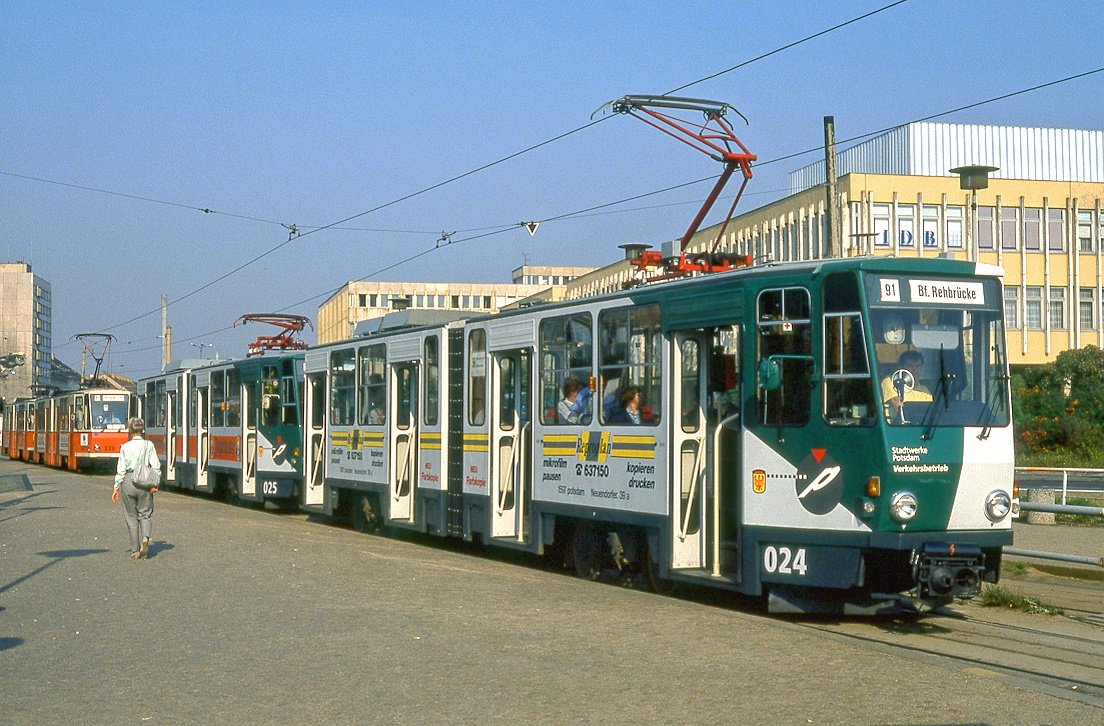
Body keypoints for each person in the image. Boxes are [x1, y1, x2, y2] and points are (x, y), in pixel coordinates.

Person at [112, 417, 161, 560]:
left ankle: (134, 550)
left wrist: (116, 488)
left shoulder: (125, 447)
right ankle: (145, 537)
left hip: (128, 481)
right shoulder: (149, 445)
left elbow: (121, 469)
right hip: (145, 483)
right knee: (145, 514)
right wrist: (154, 484)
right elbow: (156, 466)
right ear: (142, 430)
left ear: (130, 430)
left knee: (131, 516)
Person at [881, 350, 932, 418]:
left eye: (918, 366)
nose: (914, 369)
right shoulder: (890, 381)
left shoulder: (924, 390)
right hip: (894, 426)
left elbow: (929, 412)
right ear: (901, 367)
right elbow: (897, 405)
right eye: (910, 365)